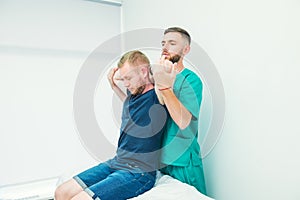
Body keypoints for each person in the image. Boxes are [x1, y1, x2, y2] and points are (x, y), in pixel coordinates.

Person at [55, 50, 167, 200]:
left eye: (128, 78)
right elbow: (128, 105)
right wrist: (113, 85)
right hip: (117, 162)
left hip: (139, 172)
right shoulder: (132, 95)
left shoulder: (157, 96)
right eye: (123, 79)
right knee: (61, 192)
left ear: (144, 71)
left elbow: (164, 79)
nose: (126, 84)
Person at [152, 27, 207, 194]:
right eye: (163, 43)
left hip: (182, 161)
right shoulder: (159, 77)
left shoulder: (192, 80)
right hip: (162, 159)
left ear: (186, 50)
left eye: (172, 43)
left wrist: (164, 86)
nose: (165, 47)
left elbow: (183, 121)